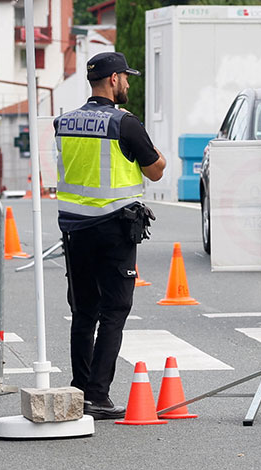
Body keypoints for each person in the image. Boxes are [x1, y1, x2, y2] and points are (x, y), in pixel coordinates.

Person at [53, 51, 166, 420]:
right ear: (114, 80)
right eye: (126, 78)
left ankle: (80, 390)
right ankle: (98, 396)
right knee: (115, 309)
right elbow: (156, 171)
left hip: (73, 229)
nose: (129, 84)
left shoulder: (64, 122)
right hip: (114, 228)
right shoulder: (125, 123)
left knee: (83, 311)